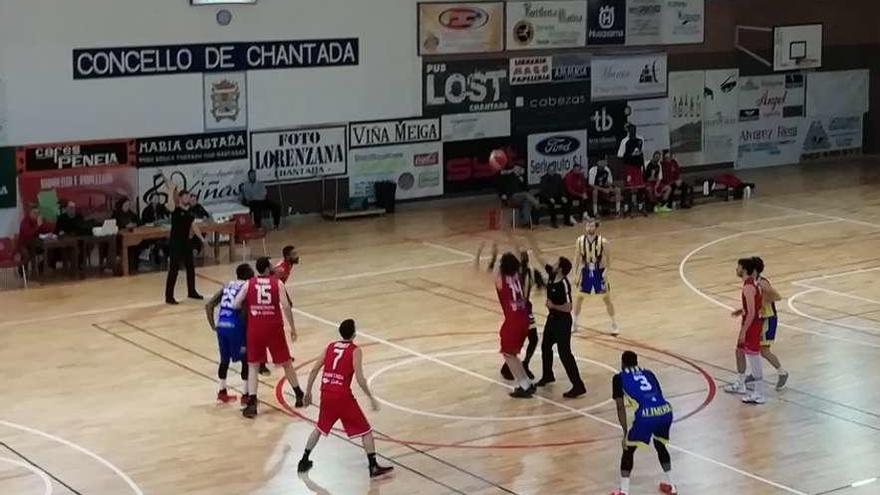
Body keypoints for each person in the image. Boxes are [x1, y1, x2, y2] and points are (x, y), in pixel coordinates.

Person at [298, 319, 394, 478]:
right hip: (342, 396)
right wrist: (371, 397)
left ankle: (303, 460)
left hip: (326, 393)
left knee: (320, 428)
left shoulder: (330, 347)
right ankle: (373, 466)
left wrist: (308, 392)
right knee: (366, 430)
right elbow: (360, 378)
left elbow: (314, 369)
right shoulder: (355, 350)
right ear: (354, 333)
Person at [233, 257, 304, 418]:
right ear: (266, 268)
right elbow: (286, 306)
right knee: (286, 362)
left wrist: (250, 308)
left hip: (255, 327)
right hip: (273, 327)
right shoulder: (277, 283)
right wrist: (292, 328)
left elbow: (235, 304)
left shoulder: (248, 283)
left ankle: (252, 403)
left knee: (253, 366)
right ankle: (298, 394)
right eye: (271, 265)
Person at [526, 236, 586, 398]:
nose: (552, 263)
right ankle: (548, 375)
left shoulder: (564, 284)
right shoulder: (552, 274)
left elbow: (568, 307)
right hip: (552, 319)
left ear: (560, 269)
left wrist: (553, 306)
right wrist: (531, 242)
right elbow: (540, 257)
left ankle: (578, 385)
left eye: (556, 262)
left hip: (563, 321)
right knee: (546, 346)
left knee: (564, 352)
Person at [610, 351, 677, 495]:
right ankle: (672, 486)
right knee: (660, 446)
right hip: (665, 411)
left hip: (645, 416)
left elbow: (620, 406)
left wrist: (625, 432)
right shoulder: (649, 373)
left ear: (622, 363)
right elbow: (658, 393)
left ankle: (624, 491)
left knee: (628, 450)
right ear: (636, 362)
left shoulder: (618, 378)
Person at [476, 242, 535, 398]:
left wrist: (490, 254)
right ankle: (527, 382)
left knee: (508, 354)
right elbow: (517, 261)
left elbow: (486, 271)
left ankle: (524, 385)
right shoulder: (518, 276)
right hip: (525, 318)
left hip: (514, 320)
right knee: (513, 354)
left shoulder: (501, 279)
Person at [205, 263, 254, 404]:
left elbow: (209, 305)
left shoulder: (227, 285)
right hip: (236, 328)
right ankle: (245, 395)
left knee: (224, 360)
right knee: (246, 360)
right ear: (247, 276)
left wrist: (213, 325)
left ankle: (222, 391)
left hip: (222, 327)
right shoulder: (246, 287)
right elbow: (244, 311)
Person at [724, 257, 766, 404]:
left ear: (744, 269)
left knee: (754, 358)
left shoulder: (748, 287)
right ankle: (741, 384)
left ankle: (759, 393)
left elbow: (753, 312)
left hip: (752, 325)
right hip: (750, 323)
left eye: (738, 267)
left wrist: (743, 331)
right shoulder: (751, 284)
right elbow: (752, 307)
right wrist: (741, 311)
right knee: (739, 351)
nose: (737, 269)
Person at [161, 173, 206, 305]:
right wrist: (170, 190)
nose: (188, 198)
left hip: (186, 242)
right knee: (174, 269)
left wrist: (203, 240)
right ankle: (169, 297)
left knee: (190, 267)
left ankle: (192, 291)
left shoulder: (190, 212)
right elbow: (169, 205)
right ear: (180, 198)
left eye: (188, 196)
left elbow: (194, 226)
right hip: (175, 242)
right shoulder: (175, 209)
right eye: (185, 196)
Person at [747, 257, 789, 391]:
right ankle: (755, 373)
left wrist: (763, 301)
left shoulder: (762, 282)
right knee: (753, 348)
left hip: (768, 319)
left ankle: (782, 372)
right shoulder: (752, 282)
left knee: (764, 351)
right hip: (760, 319)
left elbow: (777, 296)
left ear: (753, 269)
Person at [573, 218, 620, 335]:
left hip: (599, 271)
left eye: (592, 226)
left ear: (596, 227)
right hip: (586, 271)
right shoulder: (579, 241)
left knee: (607, 299)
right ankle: (575, 323)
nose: (590, 228)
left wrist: (607, 271)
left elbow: (609, 258)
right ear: (585, 227)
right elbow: (576, 258)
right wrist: (575, 274)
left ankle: (614, 324)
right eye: (588, 226)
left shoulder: (603, 241)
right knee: (579, 298)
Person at [500, 242, 537, 381]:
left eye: (526, 253)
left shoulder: (531, 271)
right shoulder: (513, 274)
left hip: (526, 307)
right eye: (522, 254)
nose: (525, 256)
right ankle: (510, 366)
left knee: (533, 338)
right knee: (521, 338)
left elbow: (540, 282)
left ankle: (523, 364)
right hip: (519, 310)